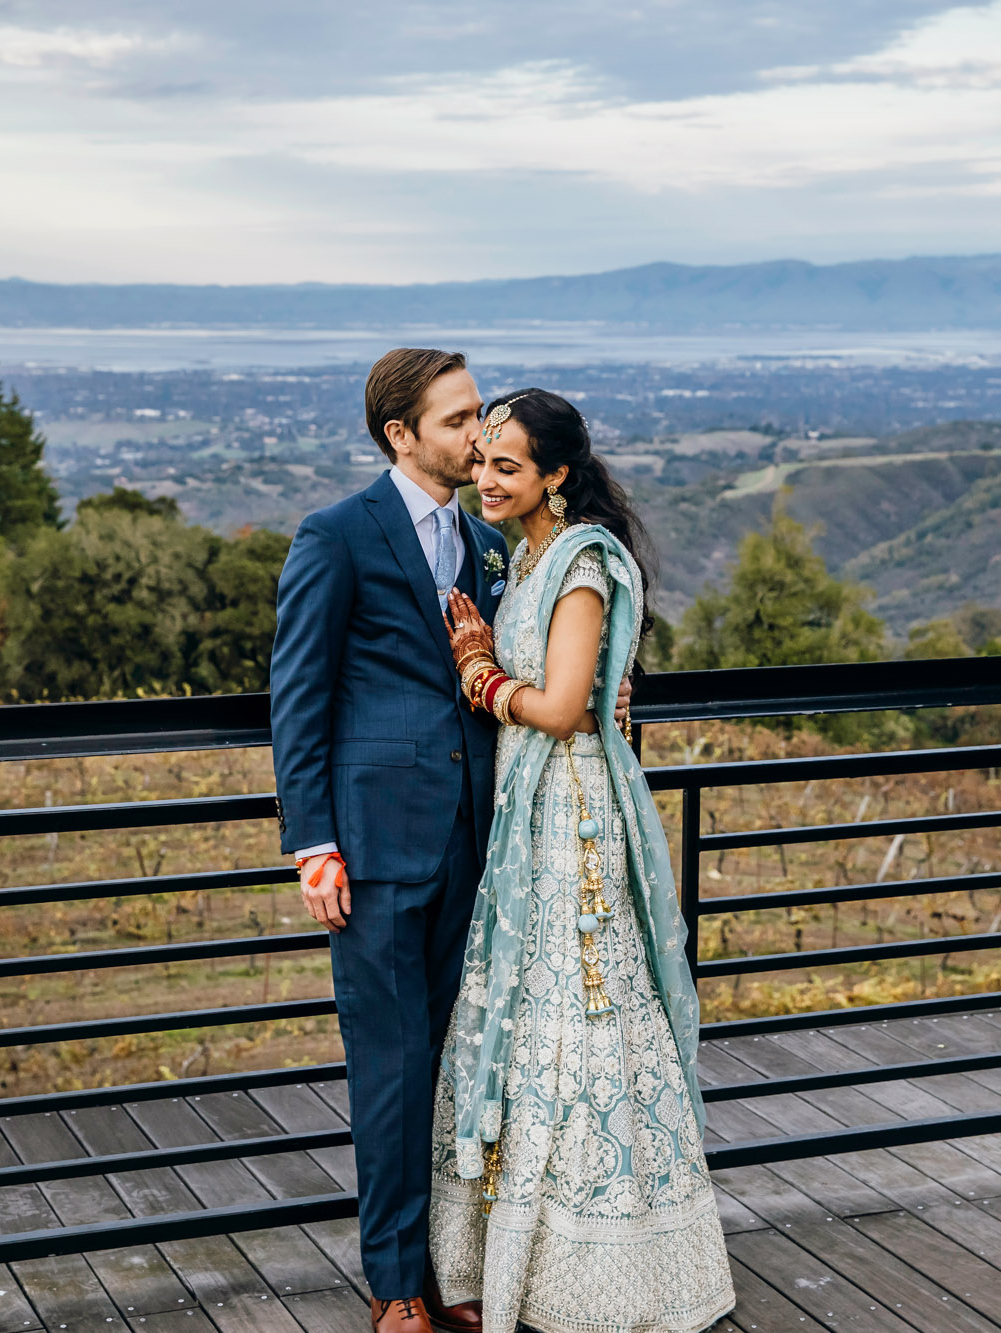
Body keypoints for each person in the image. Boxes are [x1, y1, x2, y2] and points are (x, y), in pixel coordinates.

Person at [270, 351, 633, 1333]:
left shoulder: (488, 542)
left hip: (488, 846)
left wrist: (605, 696)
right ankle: (396, 1287)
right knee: (389, 1069)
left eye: (480, 418)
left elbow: (543, 657)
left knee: (467, 1067)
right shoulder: (336, 535)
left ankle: (456, 1267)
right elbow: (296, 699)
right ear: (400, 434)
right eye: (459, 419)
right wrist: (312, 842)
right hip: (378, 849)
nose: (478, 436)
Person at [429, 390, 734, 1333]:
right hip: (535, 812)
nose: (485, 478)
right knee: (531, 1012)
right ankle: (519, 1256)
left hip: (572, 823)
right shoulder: (528, 556)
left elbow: (563, 708)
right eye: (480, 459)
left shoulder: (581, 561)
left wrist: (482, 676)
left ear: (555, 474)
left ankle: (601, 1267)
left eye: (506, 465)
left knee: (580, 1013)